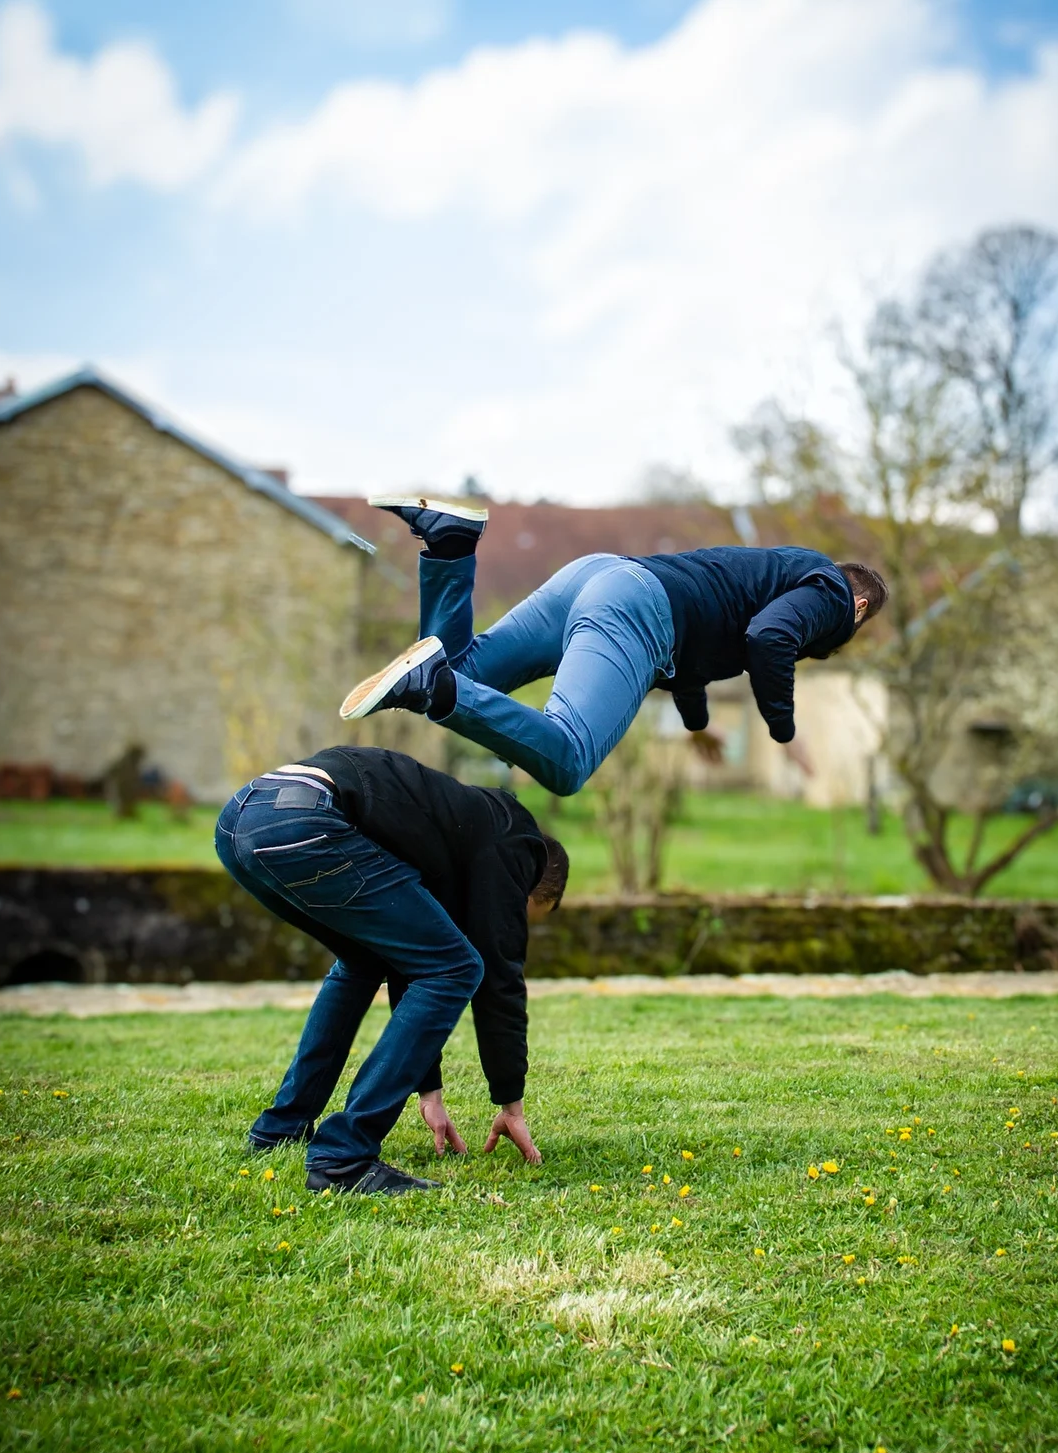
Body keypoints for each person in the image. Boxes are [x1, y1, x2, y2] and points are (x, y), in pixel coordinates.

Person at [339, 497, 889, 796]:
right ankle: (431, 686)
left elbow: (699, 654)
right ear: (858, 609)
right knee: (568, 758)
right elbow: (769, 639)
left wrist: (697, 728)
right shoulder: (833, 594)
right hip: (633, 608)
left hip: (597, 577)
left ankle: (449, 545)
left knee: (467, 675)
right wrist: (784, 731)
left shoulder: (776, 574)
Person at [214, 745, 568, 1194]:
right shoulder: (515, 845)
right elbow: (500, 978)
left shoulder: (457, 831)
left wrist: (430, 1092)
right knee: (459, 967)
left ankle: (281, 1127)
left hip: (242, 819)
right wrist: (511, 1103)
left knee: (367, 959)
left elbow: (412, 958)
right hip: (307, 822)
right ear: (534, 880)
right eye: (524, 916)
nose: (511, 926)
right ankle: (343, 1158)